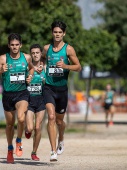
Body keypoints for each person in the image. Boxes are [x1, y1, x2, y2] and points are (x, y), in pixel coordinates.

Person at [0, 33, 34, 164]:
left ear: (21, 45)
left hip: (22, 93)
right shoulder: (3, 59)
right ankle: (10, 149)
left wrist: (30, 76)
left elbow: (31, 69)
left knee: (21, 118)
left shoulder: (26, 57)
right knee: (10, 124)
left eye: (17, 45)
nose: (15, 47)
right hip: (8, 95)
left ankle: (19, 141)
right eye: (12, 45)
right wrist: (0, 71)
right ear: (8, 45)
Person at [42, 20, 81, 161]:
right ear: (52, 32)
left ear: (63, 33)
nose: (57, 34)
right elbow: (39, 59)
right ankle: (53, 151)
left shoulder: (69, 49)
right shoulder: (47, 49)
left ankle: (61, 138)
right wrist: (40, 67)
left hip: (62, 90)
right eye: (55, 32)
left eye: (60, 32)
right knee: (51, 117)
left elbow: (78, 67)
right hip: (48, 88)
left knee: (59, 122)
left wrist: (65, 66)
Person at [25, 44, 46, 161]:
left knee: (38, 127)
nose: (35, 55)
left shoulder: (45, 68)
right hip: (29, 101)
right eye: (33, 53)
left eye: (37, 53)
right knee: (30, 128)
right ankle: (26, 129)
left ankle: (34, 152)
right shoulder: (27, 68)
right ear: (31, 55)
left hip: (41, 101)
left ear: (40, 54)